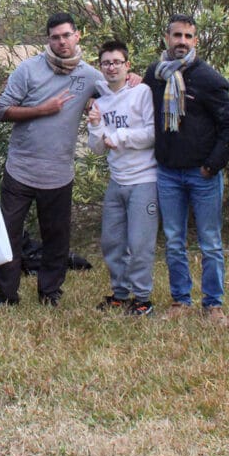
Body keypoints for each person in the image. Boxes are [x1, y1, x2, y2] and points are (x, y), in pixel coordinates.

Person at [0, 12, 104, 307]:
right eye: (55, 37)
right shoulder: (28, 70)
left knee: (56, 238)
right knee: (9, 235)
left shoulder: (91, 76)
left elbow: (118, 93)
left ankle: (49, 293)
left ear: (77, 35)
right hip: (20, 169)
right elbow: (1, 110)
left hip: (58, 173)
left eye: (67, 35)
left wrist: (131, 78)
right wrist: (42, 109)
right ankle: (6, 295)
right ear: (48, 40)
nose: (62, 41)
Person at [142, 13, 229, 322]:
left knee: (210, 242)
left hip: (203, 174)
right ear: (167, 39)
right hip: (168, 172)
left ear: (195, 41)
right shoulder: (154, 76)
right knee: (173, 240)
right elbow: (134, 104)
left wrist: (212, 166)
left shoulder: (208, 79)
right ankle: (180, 301)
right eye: (176, 36)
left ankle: (213, 305)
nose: (181, 41)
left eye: (187, 36)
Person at [86, 40, 158, 316]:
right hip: (117, 181)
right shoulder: (101, 101)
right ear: (101, 67)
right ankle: (119, 293)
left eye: (117, 62)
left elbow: (152, 134)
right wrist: (95, 125)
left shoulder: (142, 93)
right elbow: (96, 147)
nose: (111, 67)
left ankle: (142, 299)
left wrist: (121, 136)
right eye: (106, 63)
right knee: (112, 241)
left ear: (127, 65)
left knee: (140, 243)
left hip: (143, 180)